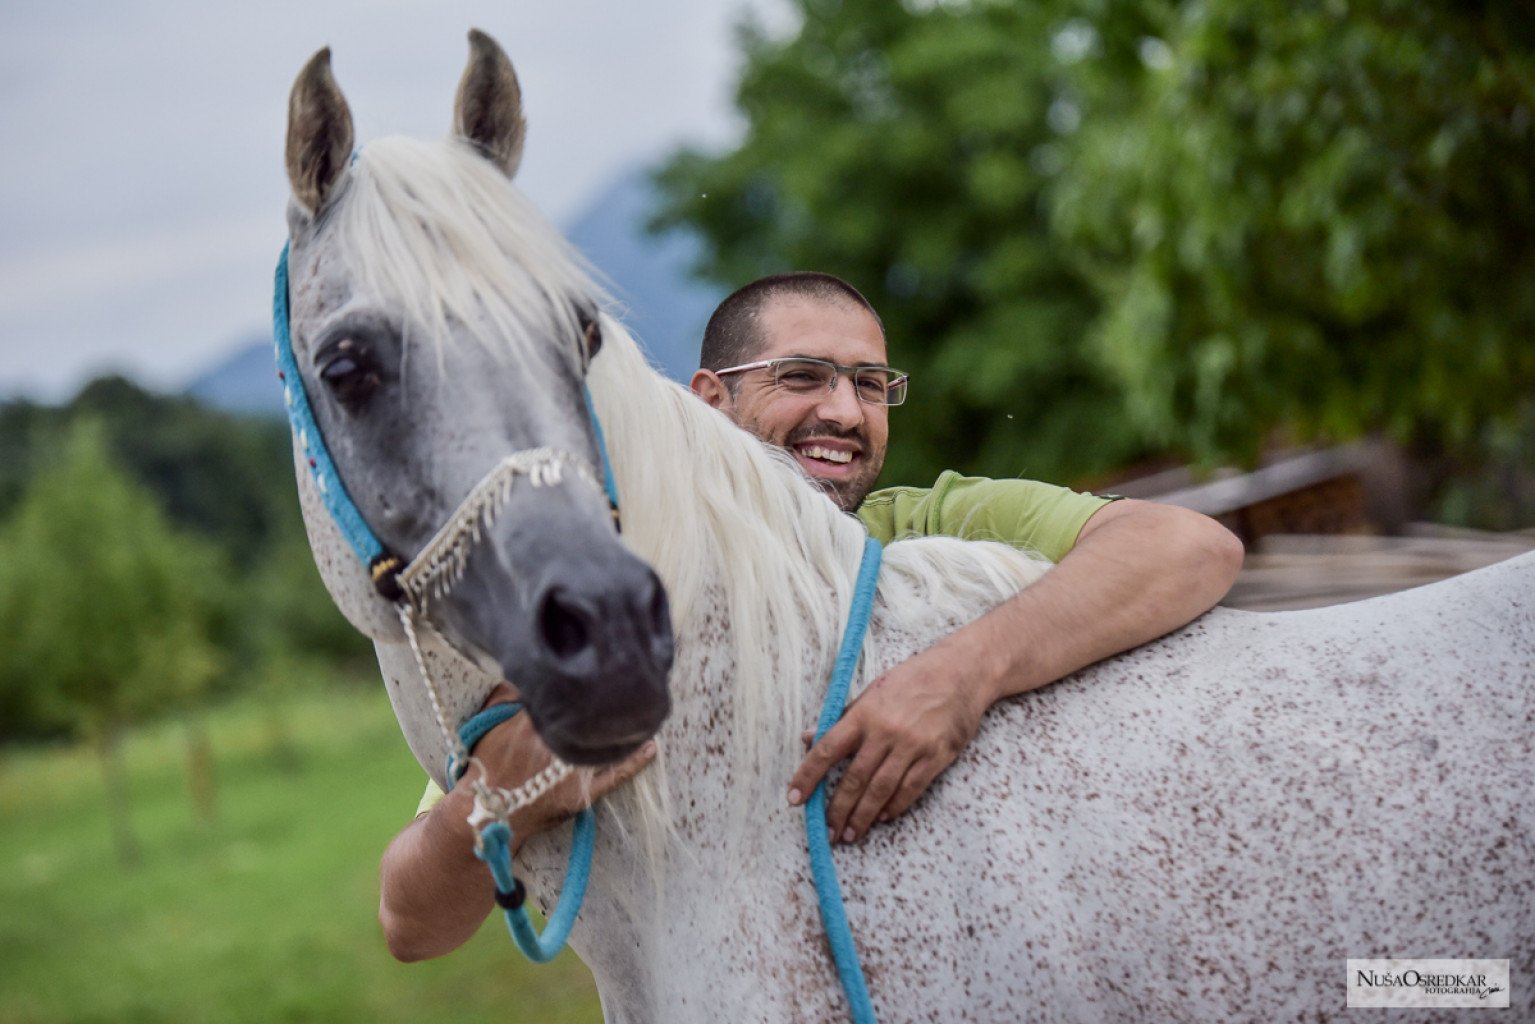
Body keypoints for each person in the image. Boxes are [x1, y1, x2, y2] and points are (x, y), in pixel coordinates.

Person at [378, 272, 1244, 961]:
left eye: (871, 385)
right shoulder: (615, 603)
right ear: (709, 400)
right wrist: (505, 798)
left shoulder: (930, 522)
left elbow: (1188, 548)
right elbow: (411, 925)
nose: (843, 411)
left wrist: (956, 675)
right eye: (802, 377)